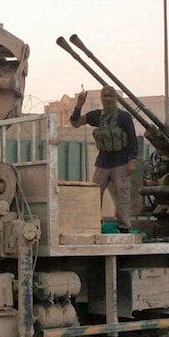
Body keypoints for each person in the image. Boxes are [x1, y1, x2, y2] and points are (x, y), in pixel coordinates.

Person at [71, 86, 138, 232]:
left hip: (121, 162)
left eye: (111, 96)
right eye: (105, 96)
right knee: (94, 194)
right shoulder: (97, 116)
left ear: (115, 98)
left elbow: (132, 139)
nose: (108, 99)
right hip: (103, 162)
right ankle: (94, 224)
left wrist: (132, 160)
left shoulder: (123, 117)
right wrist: (78, 106)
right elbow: (75, 123)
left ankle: (124, 227)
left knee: (122, 194)